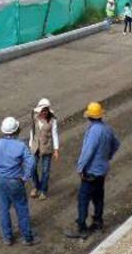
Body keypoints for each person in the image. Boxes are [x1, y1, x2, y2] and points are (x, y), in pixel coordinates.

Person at [65, 102, 121, 239]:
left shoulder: (94, 131)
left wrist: (80, 167)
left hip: (90, 172)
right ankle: (98, 222)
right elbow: (116, 144)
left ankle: (82, 228)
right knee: (98, 197)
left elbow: (88, 152)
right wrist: (108, 156)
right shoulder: (107, 129)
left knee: (83, 199)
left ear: (89, 117)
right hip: (101, 171)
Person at [0, 116, 36, 246]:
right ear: (16, 130)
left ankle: (8, 238)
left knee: (4, 209)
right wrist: (26, 176)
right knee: (21, 208)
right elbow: (31, 162)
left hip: (1, 179)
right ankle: (27, 237)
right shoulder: (20, 146)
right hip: (15, 180)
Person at [28, 98, 60, 200]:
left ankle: (43, 191)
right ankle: (36, 186)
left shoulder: (53, 121)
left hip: (47, 147)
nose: (44, 112)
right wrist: (30, 145)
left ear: (48, 111)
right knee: (32, 168)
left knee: (45, 171)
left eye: (45, 110)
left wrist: (56, 150)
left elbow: (55, 135)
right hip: (35, 147)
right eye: (42, 110)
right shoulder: (35, 117)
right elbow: (32, 132)